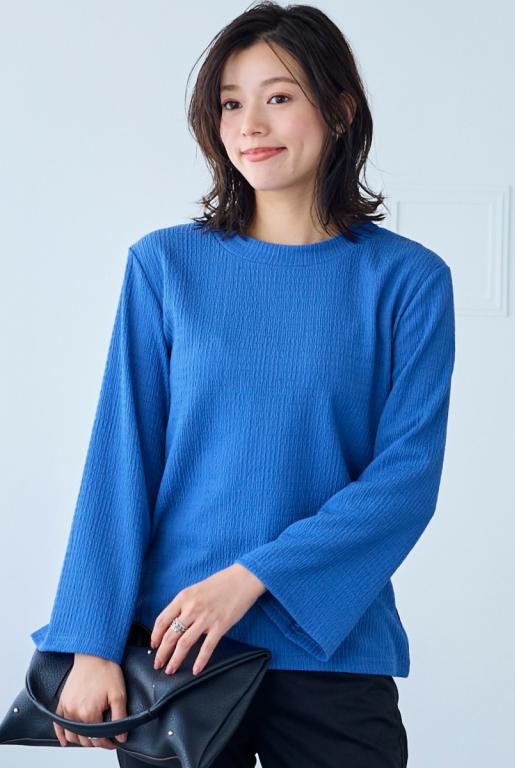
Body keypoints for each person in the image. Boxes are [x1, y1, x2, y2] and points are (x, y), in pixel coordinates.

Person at [29, 2, 456, 766]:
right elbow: (122, 459)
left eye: (278, 97)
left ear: (340, 110)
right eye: (230, 103)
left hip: (331, 651)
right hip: (173, 651)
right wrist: (89, 642)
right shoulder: (165, 266)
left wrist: (252, 577)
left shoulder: (409, 281)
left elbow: (405, 481)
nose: (250, 124)